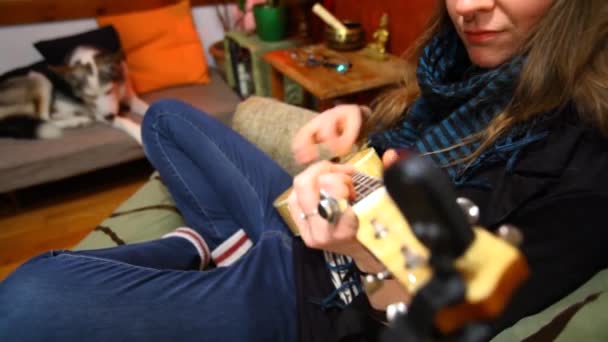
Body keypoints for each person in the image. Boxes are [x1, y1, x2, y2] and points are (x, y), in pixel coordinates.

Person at [1, 0, 606, 341]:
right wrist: (360, 124)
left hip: (312, 301)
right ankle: (224, 241)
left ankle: (208, 248)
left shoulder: (586, 160)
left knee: (29, 293)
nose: (468, 6)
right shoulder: (464, 66)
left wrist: (372, 248)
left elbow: (470, 306)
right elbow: (409, 149)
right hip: (297, 230)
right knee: (164, 118)